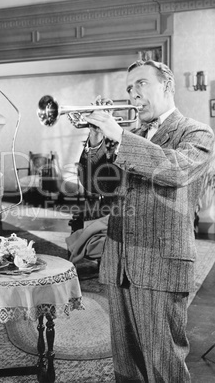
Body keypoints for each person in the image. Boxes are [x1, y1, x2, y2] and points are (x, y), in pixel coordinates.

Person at [79, 59, 215, 382]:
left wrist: (120, 138)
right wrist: (98, 142)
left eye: (141, 84)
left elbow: (174, 170)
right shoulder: (128, 135)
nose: (133, 94)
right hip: (119, 264)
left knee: (164, 367)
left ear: (166, 86)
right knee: (126, 369)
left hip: (161, 266)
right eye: (129, 87)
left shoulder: (195, 132)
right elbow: (96, 185)